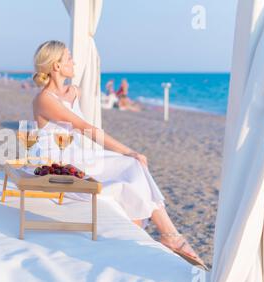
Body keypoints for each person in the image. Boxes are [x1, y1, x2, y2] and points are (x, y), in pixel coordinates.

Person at [30, 40, 207, 269]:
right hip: (59, 164)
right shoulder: (44, 99)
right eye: (69, 58)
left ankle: (165, 235)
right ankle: (162, 237)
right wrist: (128, 149)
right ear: (56, 66)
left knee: (134, 166)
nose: (74, 62)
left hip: (78, 154)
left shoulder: (73, 91)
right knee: (129, 169)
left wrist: (130, 154)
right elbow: (86, 129)